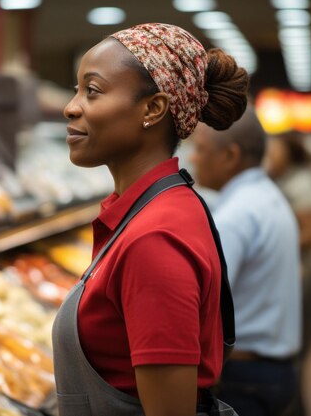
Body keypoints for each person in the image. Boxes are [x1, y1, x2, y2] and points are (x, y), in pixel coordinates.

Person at [52, 23, 249, 416]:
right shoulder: (152, 210)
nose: (71, 106)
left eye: (92, 91)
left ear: (153, 109)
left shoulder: (154, 238)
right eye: (76, 90)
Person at [190, 109, 301, 416]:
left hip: (246, 377)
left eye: (200, 149)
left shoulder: (236, 215)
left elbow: (207, 305)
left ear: (230, 155)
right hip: (273, 370)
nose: (194, 159)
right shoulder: (265, 196)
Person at [263, 132, 311, 356]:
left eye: (274, 152)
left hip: (305, 271)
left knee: (298, 337)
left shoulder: (302, 184)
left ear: (289, 154)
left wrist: (273, 247)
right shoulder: (278, 180)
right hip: (292, 269)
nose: (268, 157)